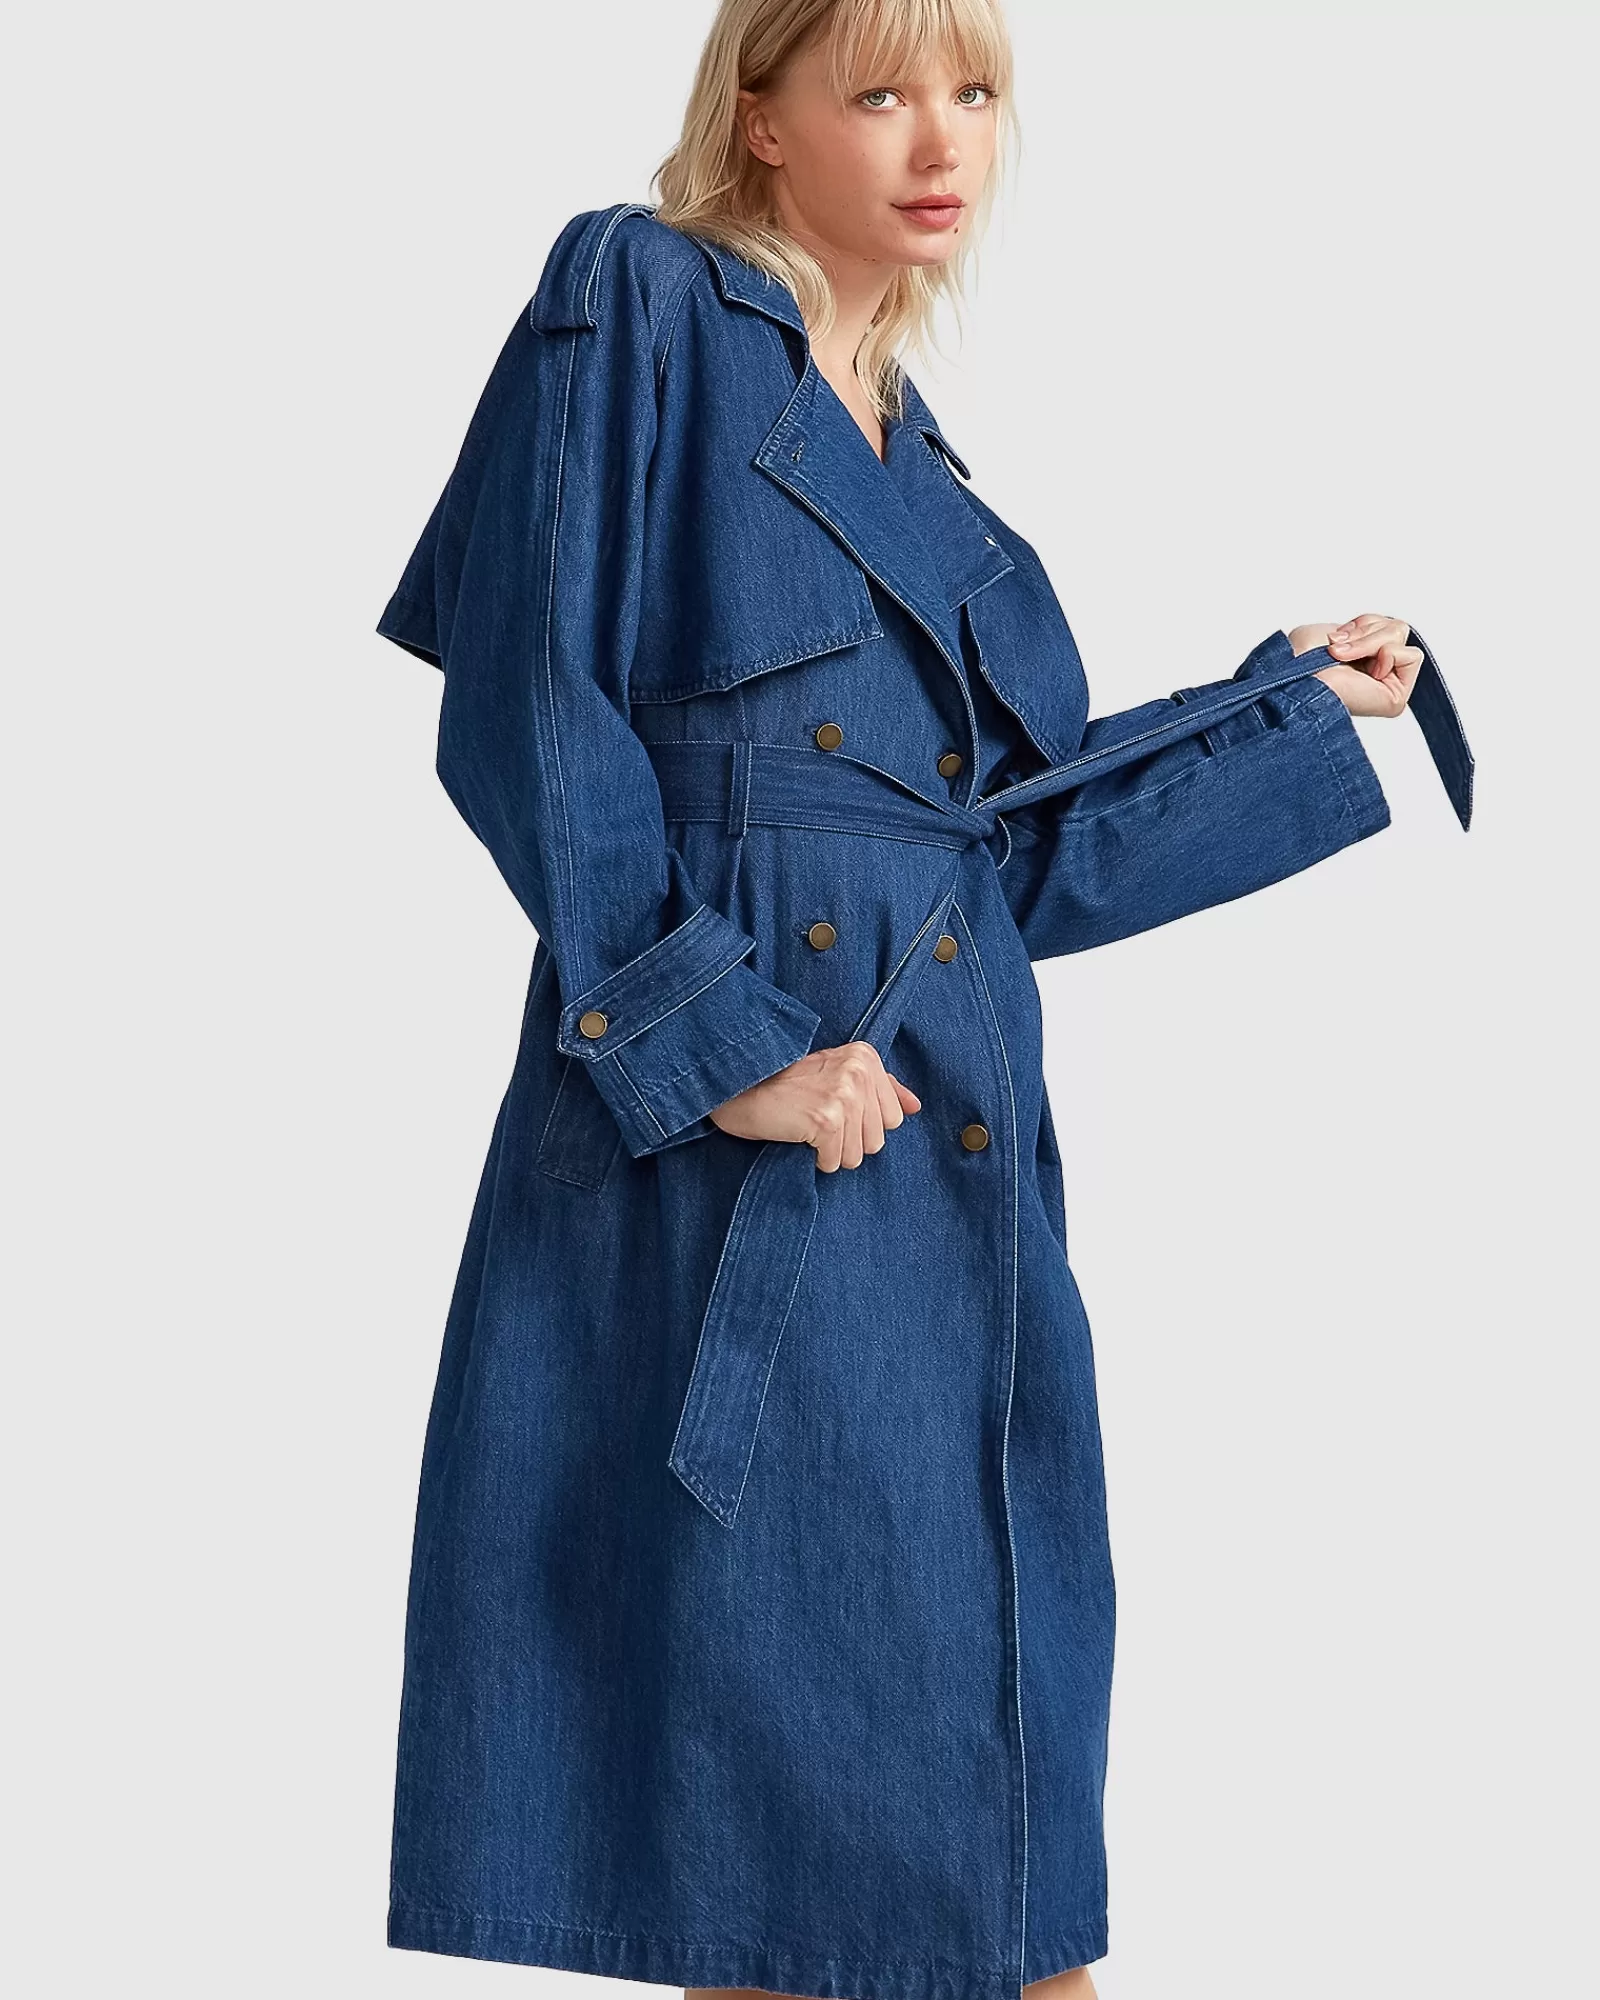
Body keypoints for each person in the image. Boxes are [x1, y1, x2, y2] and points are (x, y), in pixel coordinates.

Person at [373, 5, 1473, 1999]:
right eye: (876, 90)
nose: (937, 139)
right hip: (738, 1181)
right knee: (784, 1872)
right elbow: (526, 710)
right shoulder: (639, 299)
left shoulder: (937, 481)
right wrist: (719, 1056)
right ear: (762, 120)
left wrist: (1287, 709)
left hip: (955, 1191)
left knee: (952, 1864)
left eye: (971, 92)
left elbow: (998, 863)